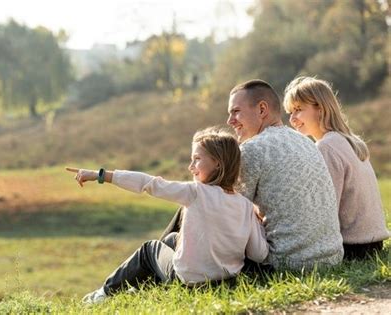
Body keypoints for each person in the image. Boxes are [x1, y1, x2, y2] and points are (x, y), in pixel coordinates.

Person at [66, 127, 269, 304]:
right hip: (224, 282)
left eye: (197, 159)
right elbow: (259, 254)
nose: (191, 167)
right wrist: (259, 224)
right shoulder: (245, 206)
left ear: (218, 163)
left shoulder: (196, 192)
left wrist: (100, 175)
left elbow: (149, 184)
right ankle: (139, 288)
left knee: (149, 250)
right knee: (172, 239)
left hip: (189, 281)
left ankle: (103, 294)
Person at [161, 79, 344, 270]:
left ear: (262, 109)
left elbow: (223, 214)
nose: (230, 121)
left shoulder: (252, 150)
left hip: (287, 262)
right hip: (330, 257)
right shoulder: (305, 142)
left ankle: (163, 263)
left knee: (186, 217)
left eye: (236, 112)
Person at [284, 76, 390, 260]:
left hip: (354, 247)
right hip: (373, 242)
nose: (292, 118)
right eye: (290, 112)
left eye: (298, 110)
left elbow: (324, 209)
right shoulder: (349, 140)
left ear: (321, 108)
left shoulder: (326, 147)